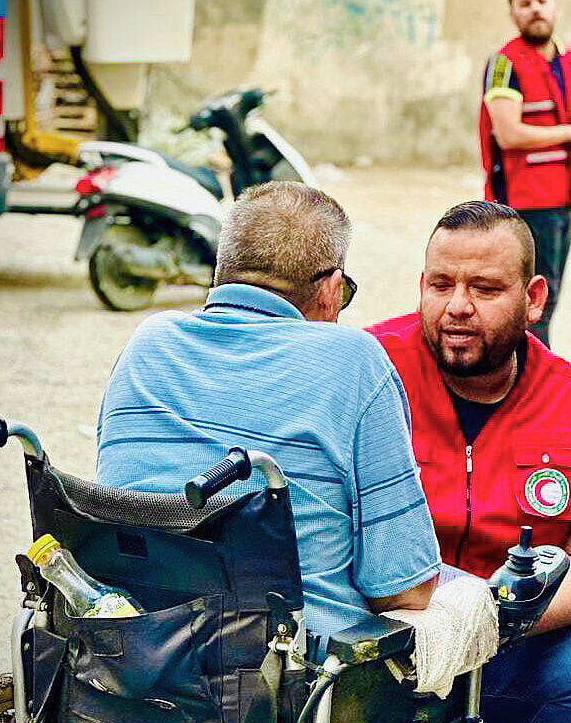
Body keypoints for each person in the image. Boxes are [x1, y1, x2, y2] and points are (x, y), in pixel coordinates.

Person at [98, 182, 441, 639]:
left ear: (222, 271)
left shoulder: (148, 343)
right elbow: (404, 590)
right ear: (332, 291)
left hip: (130, 657)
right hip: (290, 685)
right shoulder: (353, 360)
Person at [365, 201, 571, 723]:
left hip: (517, 645)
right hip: (382, 645)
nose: (456, 307)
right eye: (440, 284)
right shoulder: (369, 369)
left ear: (534, 300)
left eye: (485, 289)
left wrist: (495, 620)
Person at [479, 0, 571, 347]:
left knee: (550, 296)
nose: (535, 10)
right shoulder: (505, 64)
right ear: (512, 12)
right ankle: (527, 383)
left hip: (562, 199)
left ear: (555, 5)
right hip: (523, 201)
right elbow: (508, 135)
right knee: (529, 302)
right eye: (524, 4)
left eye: (541, 1)